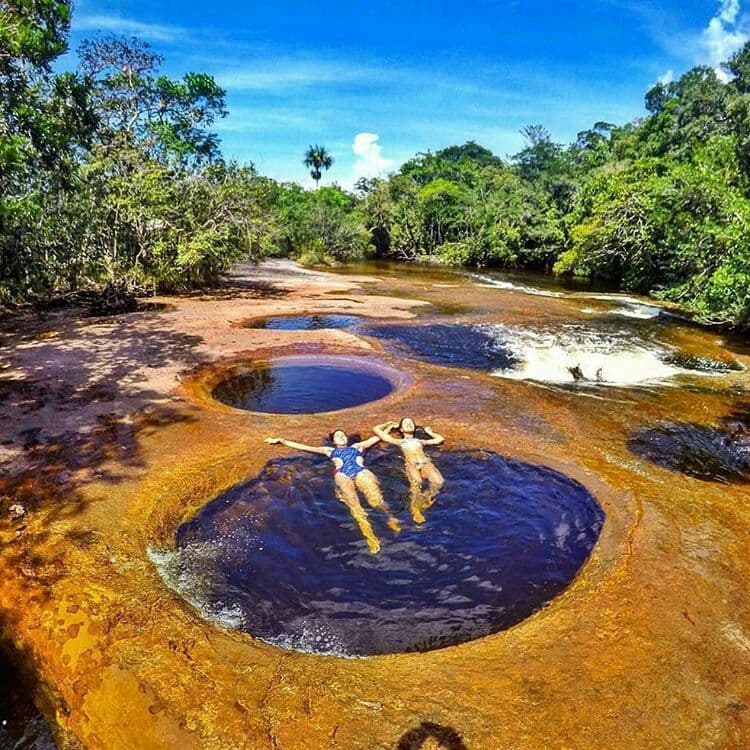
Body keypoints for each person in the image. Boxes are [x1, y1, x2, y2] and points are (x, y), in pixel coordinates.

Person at [264, 429, 400, 554]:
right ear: (334, 441)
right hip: (342, 474)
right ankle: (370, 535)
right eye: (337, 436)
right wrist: (282, 441)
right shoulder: (328, 450)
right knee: (354, 505)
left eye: (342, 435)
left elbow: (378, 437)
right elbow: (305, 447)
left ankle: (389, 517)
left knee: (376, 500)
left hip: (360, 471)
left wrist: (389, 427)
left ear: (347, 439)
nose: (341, 436)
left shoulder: (358, 446)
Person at [373, 417, 445, 524]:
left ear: (415, 428)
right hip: (411, 464)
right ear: (401, 429)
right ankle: (415, 509)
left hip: (425, 462)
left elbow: (440, 439)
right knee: (417, 483)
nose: (409, 424)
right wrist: (389, 424)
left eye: (411, 423)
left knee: (439, 482)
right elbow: (376, 430)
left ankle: (426, 498)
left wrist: (430, 432)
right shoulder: (399, 441)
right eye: (405, 423)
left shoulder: (420, 441)